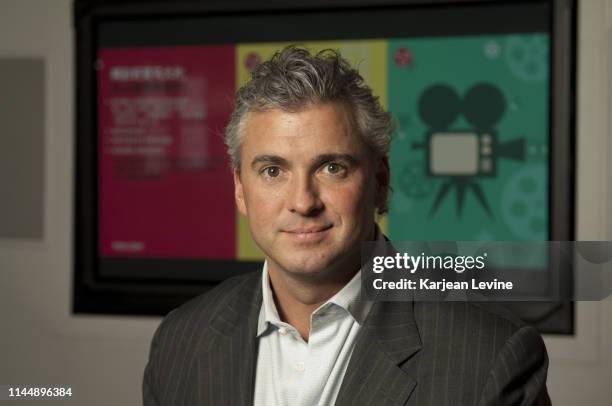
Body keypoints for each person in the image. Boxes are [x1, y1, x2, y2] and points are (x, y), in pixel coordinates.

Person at [143, 46, 551, 406]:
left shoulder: (490, 355)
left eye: (332, 167)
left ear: (380, 183)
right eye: (272, 171)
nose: (303, 202)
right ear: (239, 190)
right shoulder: (181, 340)